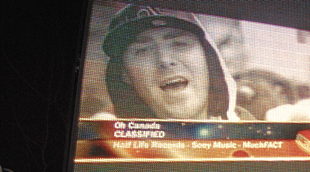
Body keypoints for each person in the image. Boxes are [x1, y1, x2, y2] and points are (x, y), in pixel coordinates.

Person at [101, 4, 253, 120]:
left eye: (179, 44)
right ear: (125, 74)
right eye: (142, 50)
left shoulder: (257, 138)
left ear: (209, 59)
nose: (165, 60)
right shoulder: (106, 146)